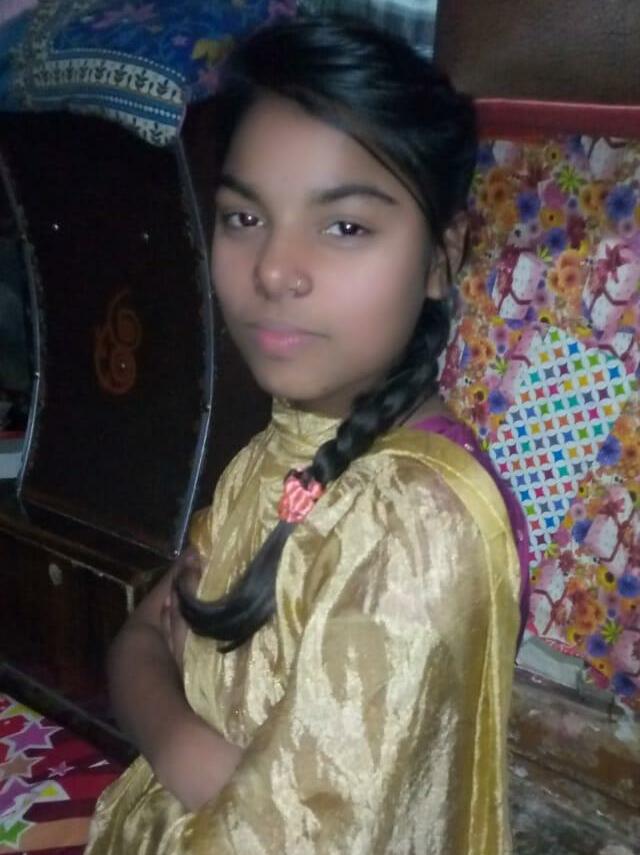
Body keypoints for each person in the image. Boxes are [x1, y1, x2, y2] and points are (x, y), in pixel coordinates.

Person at [87, 14, 524, 855]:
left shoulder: (417, 527)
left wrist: (169, 720)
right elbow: (134, 641)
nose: (273, 269)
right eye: (243, 217)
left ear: (442, 257)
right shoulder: (280, 451)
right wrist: (197, 753)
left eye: (345, 226)